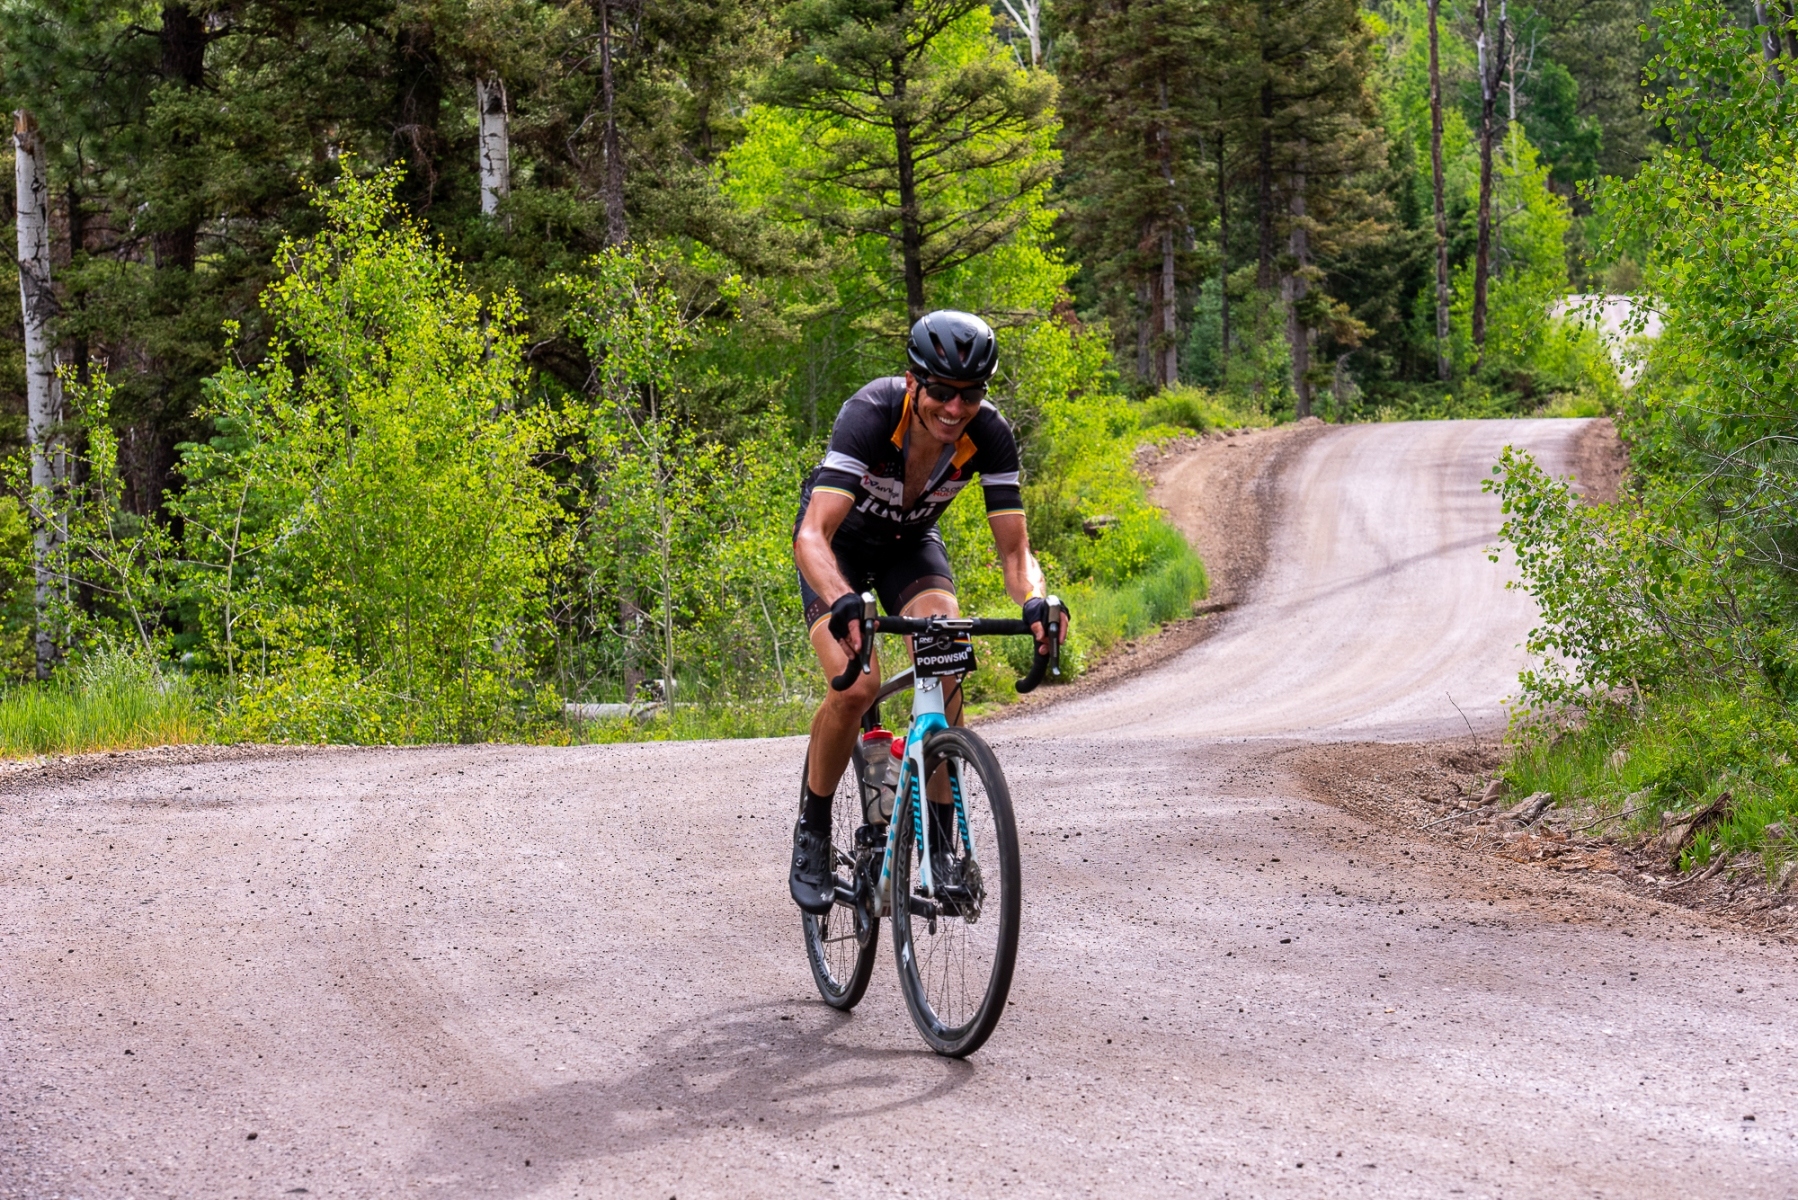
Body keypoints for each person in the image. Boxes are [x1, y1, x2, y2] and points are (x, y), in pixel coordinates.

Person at [789, 309, 1065, 914]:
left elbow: (1016, 551)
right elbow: (812, 534)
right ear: (914, 382)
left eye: (970, 394)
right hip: (836, 549)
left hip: (908, 545)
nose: (954, 407)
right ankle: (812, 827)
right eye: (941, 391)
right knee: (857, 685)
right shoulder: (871, 413)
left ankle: (941, 842)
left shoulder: (988, 433)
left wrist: (1038, 600)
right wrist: (840, 600)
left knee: (944, 652)